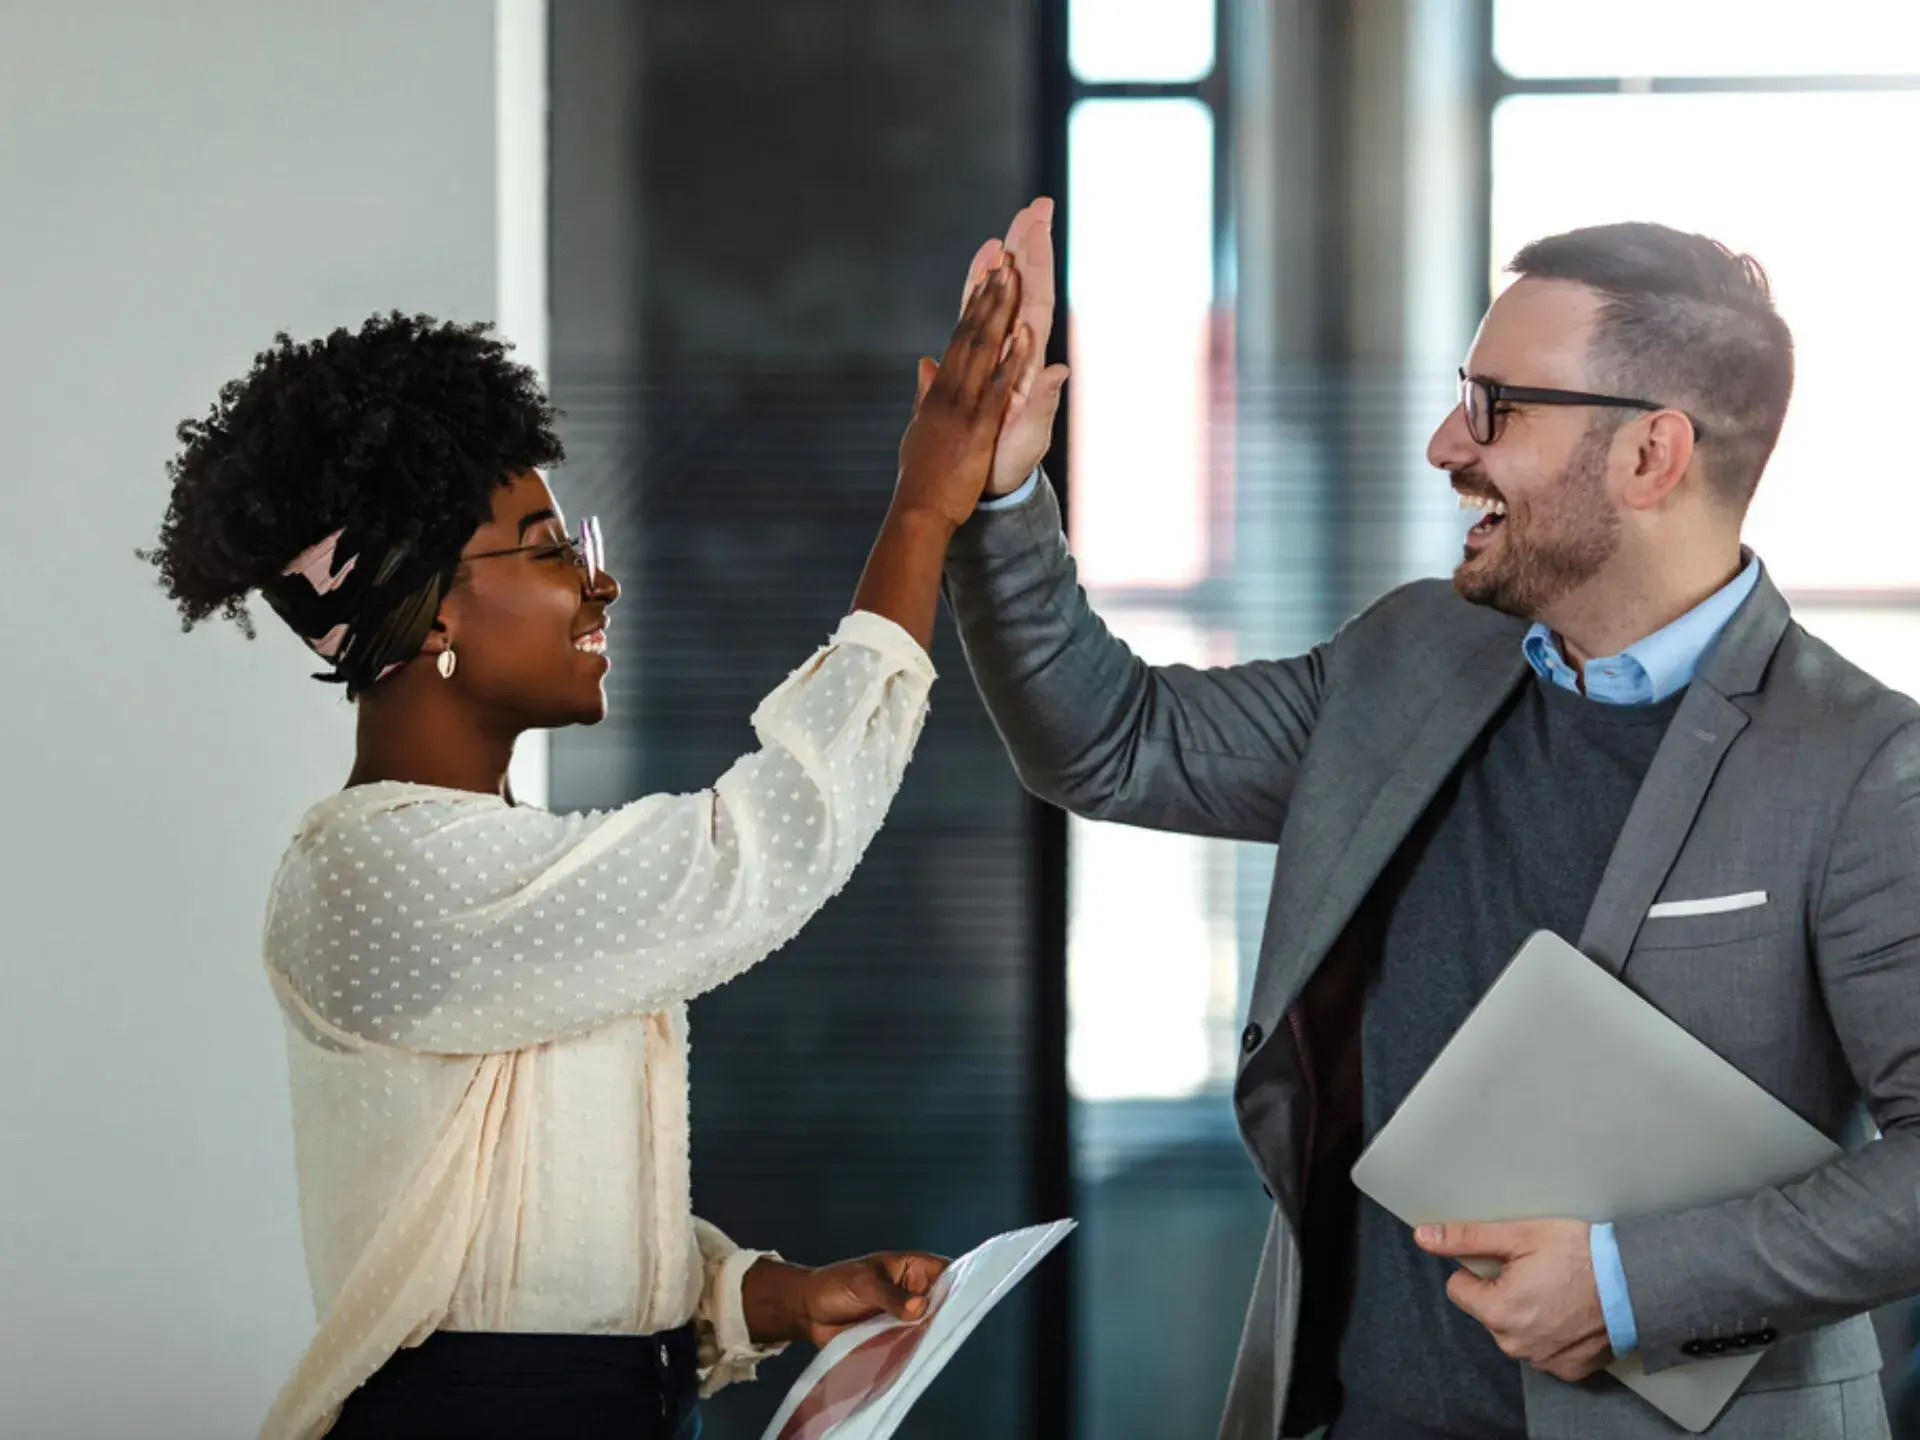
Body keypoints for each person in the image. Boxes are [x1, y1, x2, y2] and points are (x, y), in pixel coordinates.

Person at [943, 200, 1920, 1438]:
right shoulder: (1413, 656)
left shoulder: (1863, 764)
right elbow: (1112, 742)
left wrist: (1632, 1288)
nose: (1445, 443)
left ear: (1651, 456)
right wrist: (1002, 490)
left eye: (1497, 405)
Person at [143, 257, 1037, 1439]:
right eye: (548, 546)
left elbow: (545, 1231)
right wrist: (922, 509)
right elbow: (755, 854)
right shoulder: (372, 876)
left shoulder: (495, 871)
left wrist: (763, 1295)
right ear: (436, 609)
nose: (600, 580)